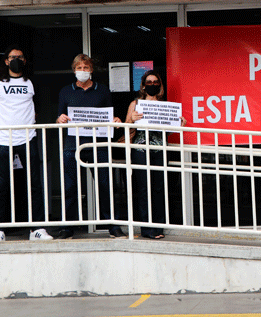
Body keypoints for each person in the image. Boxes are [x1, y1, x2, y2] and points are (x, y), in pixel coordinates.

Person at [0, 45, 53, 242]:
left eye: (20, 57)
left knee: (34, 183)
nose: (16, 59)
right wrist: (2, 129)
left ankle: (37, 229)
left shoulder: (31, 81)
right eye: (13, 57)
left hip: (27, 138)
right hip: (3, 141)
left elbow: (37, 108)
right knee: (2, 184)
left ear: (25, 60)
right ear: (6, 61)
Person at [56, 54, 125, 239]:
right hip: (73, 146)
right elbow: (59, 117)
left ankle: (113, 225)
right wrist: (60, 119)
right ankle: (67, 228)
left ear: (92, 70)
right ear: (74, 70)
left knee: (105, 185)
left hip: (98, 145)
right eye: (79, 68)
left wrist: (116, 120)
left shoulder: (102, 91)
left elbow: (109, 115)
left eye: (86, 68)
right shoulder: (65, 91)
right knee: (70, 188)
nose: (83, 71)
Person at [124, 70, 185, 239]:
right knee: (144, 189)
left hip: (160, 150)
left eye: (155, 82)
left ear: (160, 85)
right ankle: (146, 229)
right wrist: (132, 120)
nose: (152, 85)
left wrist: (179, 124)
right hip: (140, 149)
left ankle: (158, 227)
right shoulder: (135, 104)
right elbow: (126, 127)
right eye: (148, 82)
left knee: (159, 188)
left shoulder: (164, 105)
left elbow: (168, 132)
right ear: (143, 85)